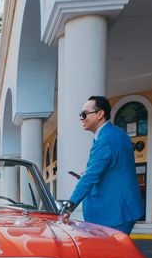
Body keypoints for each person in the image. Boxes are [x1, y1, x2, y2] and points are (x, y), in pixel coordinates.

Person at [61, 96, 143, 234]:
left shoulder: (106, 139)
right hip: (121, 209)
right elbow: (115, 168)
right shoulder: (116, 133)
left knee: (110, 255)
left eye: (84, 114)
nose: (81, 118)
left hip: (114, 214)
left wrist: (68, 207)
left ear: (100, 114)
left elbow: (90, 177)